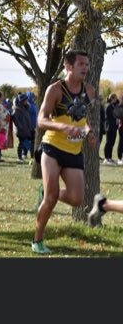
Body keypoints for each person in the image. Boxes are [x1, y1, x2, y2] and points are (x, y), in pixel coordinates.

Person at [32, 49, 96, 254]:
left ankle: (48, 193)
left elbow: (84, 118)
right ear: (68, 67)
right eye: (81, 64)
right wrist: (61, 127)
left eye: (86, 64)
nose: (85, 68)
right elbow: (40, 120)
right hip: (52, 147)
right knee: (50, 199)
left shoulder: (90, 90)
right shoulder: (55, 89)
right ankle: (37, 240)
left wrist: (89, 131)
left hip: (74, 151)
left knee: (77, 199)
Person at [12, 93, 32, 163]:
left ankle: (21, 156)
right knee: (21, 143)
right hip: (21, 130)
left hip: (25, 129)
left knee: (23, 143)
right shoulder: (17, 109)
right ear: (22, 101)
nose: (27, 101)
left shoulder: (24, 108)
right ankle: (19, 157)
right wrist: (20, 127)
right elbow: (15, 118)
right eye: (25, 100)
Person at [103, 93, 118, 165]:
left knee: (112, 142)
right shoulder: (108, 106)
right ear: (112, 98)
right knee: (108, 142)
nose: (116, 100)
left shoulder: (113, 106)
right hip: (109, 127)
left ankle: (110, 158)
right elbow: (111, 116)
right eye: (115, 98)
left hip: (114, 127)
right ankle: (106, 158)